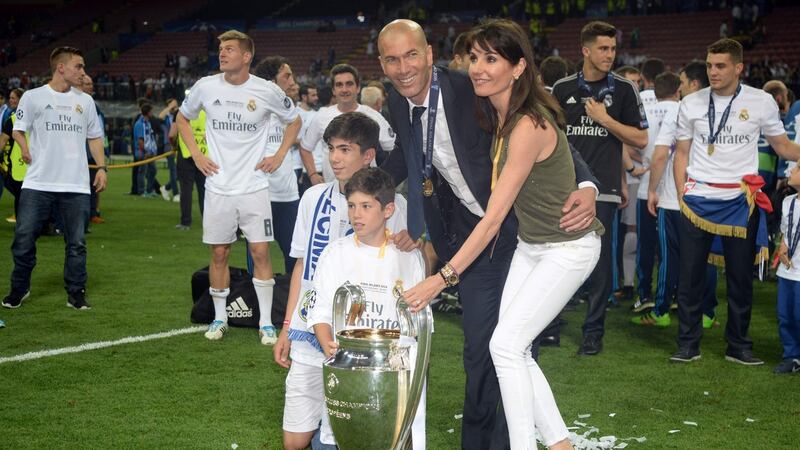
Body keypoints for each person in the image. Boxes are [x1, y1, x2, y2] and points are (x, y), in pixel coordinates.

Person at [377, 19, 598, 450]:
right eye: (391, 58)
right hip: (465, 236)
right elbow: (405, 160)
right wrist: (360, 189)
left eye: (410, 55)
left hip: (510, 233)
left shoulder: (469, 87)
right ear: (382, 63)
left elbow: (546, 135)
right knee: (491, 349)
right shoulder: (396, 100)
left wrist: (586, 186)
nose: (402, 67)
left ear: (428, 54)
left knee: (500, 348)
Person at [273, 112, 408, 450]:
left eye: (345, 149)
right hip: (310, 329)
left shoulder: (396, 206)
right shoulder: (312, 198)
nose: (334, 158)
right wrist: (287, 326)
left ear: (368, 155)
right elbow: (302, 267)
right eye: (331, 148)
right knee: (294, 441)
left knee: (361, 430)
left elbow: (407, 271)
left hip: (363, 337)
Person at [671, 38, 800, 364]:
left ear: (739, 68)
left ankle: (739, 345)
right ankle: (687, 344)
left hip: (742, 201)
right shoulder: (692, 102)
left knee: (741, 278)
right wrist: (681, 194)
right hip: (697, 198)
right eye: (710, 65)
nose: (712, 72)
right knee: (689, 277)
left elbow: (784, 148)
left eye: (720, 66)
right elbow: (681, 153)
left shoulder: (761, 102)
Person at [176, 30, 302, 344]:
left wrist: (279, 154)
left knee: (261, 251)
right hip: (218, 186)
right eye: (221, 48)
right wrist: (196, 153)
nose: (223, 53)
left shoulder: (266, 91)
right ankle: (219, 319)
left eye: (230, 49)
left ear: (246, 56)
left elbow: (294, 120)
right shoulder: (205, 87)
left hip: (254, 186)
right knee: (218, 253)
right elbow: (182, 118)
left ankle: (265, 323)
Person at [309, 167, 426, 449]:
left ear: (388, 209)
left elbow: (419, 323)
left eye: (365, 206)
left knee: (395, 438)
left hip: (395, 376)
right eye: (351, 206)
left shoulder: (408, 258)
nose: (356, 214)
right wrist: (328, 345)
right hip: (351, 372)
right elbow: (320, 312)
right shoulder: (335, 253)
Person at [551, 21, 649, 356]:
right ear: (586, 50)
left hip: (603, 190)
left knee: (600, 265)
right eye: (603, 49)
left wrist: (605, 119)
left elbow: (640, 139)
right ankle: (549, 326)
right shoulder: (562, 89)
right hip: (562, 189)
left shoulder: (623, 90)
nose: (610, 55)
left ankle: (593, 332)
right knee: (554, 257)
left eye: (612, 48)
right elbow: (549, 138)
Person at [2, 46, 107, 310]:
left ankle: (76, 293)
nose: (83, 72)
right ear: (61, 67)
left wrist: (102, 167)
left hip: (76, 185)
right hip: (38, 184)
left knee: (77, 244)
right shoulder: (33, 97)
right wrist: (25, 148)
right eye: (78, 66)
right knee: (24, 239)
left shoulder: (85, 102)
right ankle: (19, 288)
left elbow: (94, 137)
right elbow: (18, 130)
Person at [640, 64, 719, 329]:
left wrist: (653, 190)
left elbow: (661, 155)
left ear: (695, 84)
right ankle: (707, 313)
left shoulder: (680, 112)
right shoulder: (719, 112)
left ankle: (661, 311)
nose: (681, 86)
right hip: (708, 198)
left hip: (675, 199)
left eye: (684, 81)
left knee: (669, 257)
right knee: (706, 257)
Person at [299, 64, 395, 184]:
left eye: (349, 84)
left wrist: (384, 176)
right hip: (333, 189)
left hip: (367, 190)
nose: (344, 89)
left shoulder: (373, 115)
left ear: (358, 87)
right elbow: (305, 148)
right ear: (333, 90)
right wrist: (313, 175)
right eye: (339, 85)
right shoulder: (321, 116)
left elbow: (394, 148)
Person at [253, 55, 302, 276]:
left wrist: (280, 155)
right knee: (257, 252)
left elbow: (296, 125)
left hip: (287, 195)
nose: (293, 81)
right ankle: (256, 302)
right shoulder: (251, 108)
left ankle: (291, 301)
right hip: (258, 192)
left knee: (294, 252)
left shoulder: (289, 109)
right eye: (287, 76)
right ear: (272, 82)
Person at [775, 163, 800, 374]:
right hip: (787, 270)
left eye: (796, 169)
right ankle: (792, 356)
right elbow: (786, 230)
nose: (790, 172)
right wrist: (782, 245)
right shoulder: (787, 201)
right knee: (785, 315)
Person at [0, 88, 24, 222]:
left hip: (16, 165)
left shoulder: (13, 119)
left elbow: (2, 141)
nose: (11, 100)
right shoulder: (34, 118)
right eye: (10, 97)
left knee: (21, 196)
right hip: (24, 164)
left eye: (14, 98)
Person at [133, 102, 158, 197]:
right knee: (142, 171)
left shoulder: (147, 123)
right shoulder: (140, 124)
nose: (152, 113)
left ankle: (149, 190)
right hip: (143, 152)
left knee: (153, 170)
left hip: (149, 152)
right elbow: (140, 140)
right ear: (148, 112)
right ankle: (142, 191)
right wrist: (145, 151)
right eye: (151, 111)